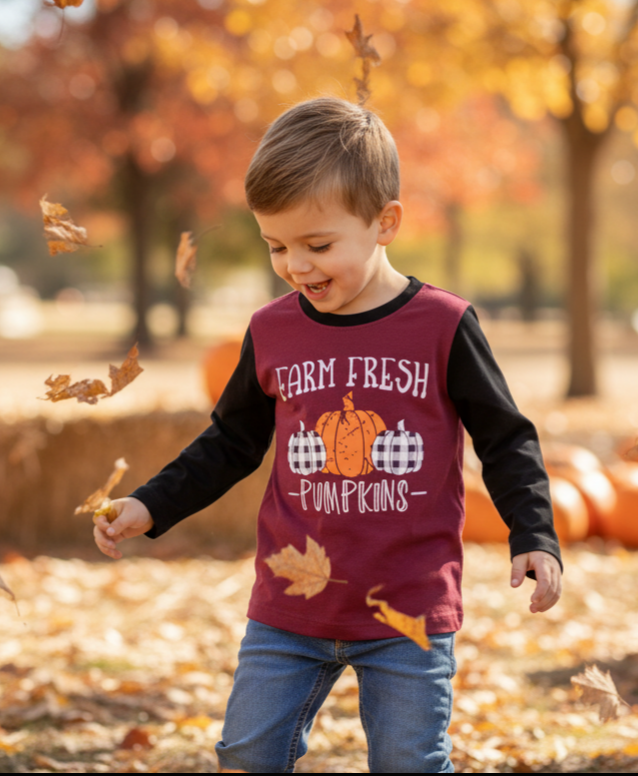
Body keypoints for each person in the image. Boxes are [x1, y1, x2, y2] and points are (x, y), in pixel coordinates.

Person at [93, 97, 562, 774]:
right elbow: (229, 443)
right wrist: (151, 504)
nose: (296, 265)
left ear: (385, 223)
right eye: (276, 246)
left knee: (409, 762)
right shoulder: (271, 331)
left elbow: (506, 438)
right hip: (290, 609)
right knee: (247, 754)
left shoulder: (444, 325)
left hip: (408, 613)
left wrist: (535, 534)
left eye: (317, 245)